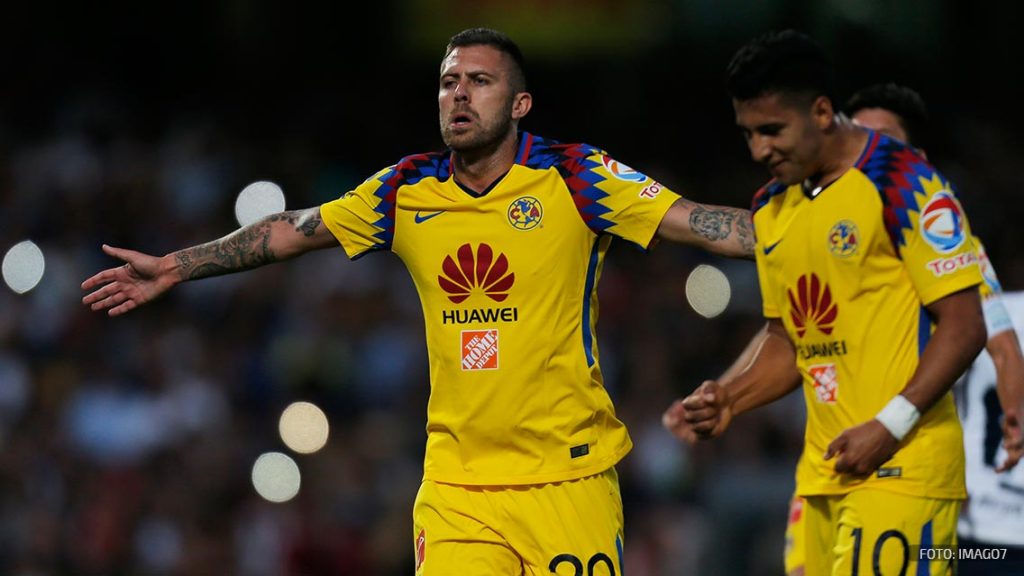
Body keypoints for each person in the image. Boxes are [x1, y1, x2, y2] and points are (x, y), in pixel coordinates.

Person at [82, 28, 756, 575]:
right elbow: (292, 229)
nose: (459, 95)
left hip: (567, 483)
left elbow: (697, 222)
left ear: (520, 104)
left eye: (480, 82)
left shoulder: (577, 177)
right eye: (448, 82)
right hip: (457, 489)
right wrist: (175, 266)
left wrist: (813, 238)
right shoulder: (405, 189)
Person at [662, 31, 987, 575]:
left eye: (772, 130)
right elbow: (790, 337)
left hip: (902, 469)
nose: (759, 150)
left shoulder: (903, 181)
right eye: (748, 134)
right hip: (820, 475)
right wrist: (733, 398)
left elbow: (964, 325)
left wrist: (889, 426)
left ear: (820, 111)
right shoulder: (772, 206)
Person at [773, 82, 1024, 576]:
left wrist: (1013, 406)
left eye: (884, 140)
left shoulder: (944, 242)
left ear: (918, 159)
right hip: (826, 467)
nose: (870, 154)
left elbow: (998, 339)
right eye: (861, 139)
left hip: (904, 468)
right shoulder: (819, 232)